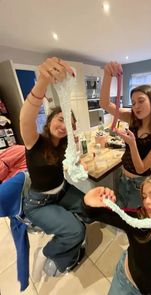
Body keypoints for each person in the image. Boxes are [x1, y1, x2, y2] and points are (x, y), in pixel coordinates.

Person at [19, 57, 88, 279]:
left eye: (68, 122)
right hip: (38, 204)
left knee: (89, 208)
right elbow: (26, 119)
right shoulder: (35, 141)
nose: (64, 125)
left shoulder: (66, 144)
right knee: (76, 232)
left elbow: (72, 160)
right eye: (60, 119)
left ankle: (69, 238)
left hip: (63, 191)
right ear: (49, 122)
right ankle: (49, 252)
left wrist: (78, 163)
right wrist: (42, 82)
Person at [100, 61, 151, 208]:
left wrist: (132, 143)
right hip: (123, 177)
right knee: (120, 209)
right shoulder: (132, 118)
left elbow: (141, 168)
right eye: (133, 102)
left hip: (139, 185)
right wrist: (107, 75)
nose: (136, 106)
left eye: (141, 101)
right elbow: (105, 103)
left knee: (134, 217)